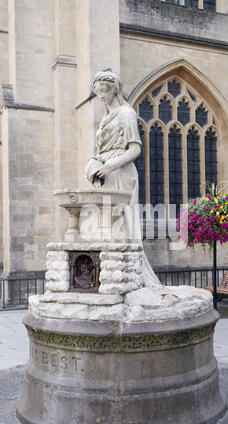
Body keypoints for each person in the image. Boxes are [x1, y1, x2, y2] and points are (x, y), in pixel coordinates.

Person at [85, 70, 161, 287]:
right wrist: (92, 164)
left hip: (120, 172)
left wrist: (111, 166)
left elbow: (135, 149)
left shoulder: (126, 113)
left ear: (114, 90)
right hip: (104, 174)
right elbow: (98, 151)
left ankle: (127, 276)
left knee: (121, 225)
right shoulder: (105, 119)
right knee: (104, 226)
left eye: (104, 90)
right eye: (97, 92)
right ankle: (106, 276)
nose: (101, 95)